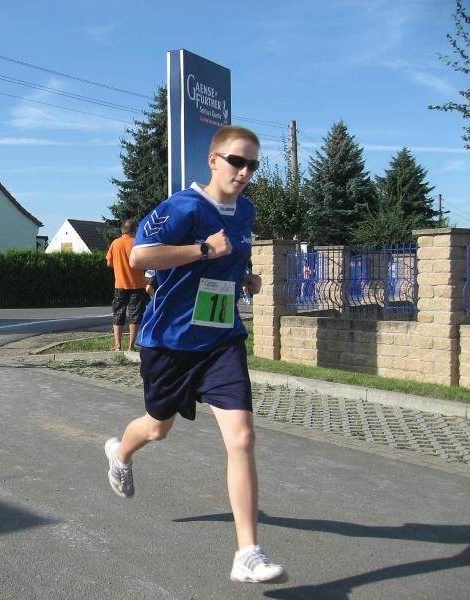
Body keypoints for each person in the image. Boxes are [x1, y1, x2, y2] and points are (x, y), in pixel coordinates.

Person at [103, 126, 286, 584]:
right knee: (157, 428)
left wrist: (244, 277)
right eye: (236, 161)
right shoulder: (183, 206)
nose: (244, 172)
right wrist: (203, 249)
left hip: (222, 339)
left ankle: (248, 553)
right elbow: (141, 257)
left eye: (252, 165)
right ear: (214, 160)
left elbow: (230, 258)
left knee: (242, 438)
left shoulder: (246, 211)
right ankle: (120, 453)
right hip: (170, 342)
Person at [105, 219, 147, 352]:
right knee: (135, 315)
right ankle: (131, 347)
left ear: (122, 230)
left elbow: (109, 263)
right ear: (135, 230)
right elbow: (144, 263)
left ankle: (117, 345)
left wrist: (120, 265)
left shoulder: (115, 243)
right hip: (138, 284)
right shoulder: (138, 243)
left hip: (120, 284)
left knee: (118, 313)